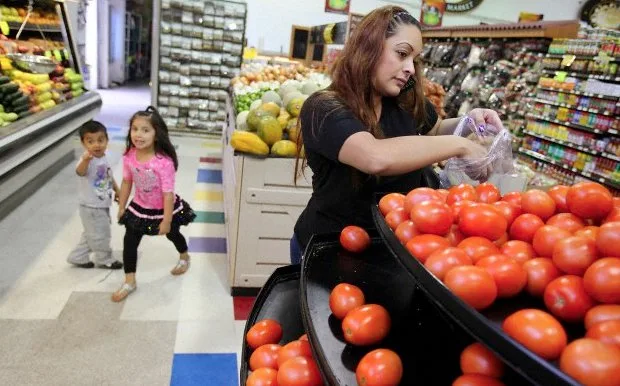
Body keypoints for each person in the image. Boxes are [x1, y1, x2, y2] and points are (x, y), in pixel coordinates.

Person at [290, 6, 503, 264]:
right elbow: (375, 156)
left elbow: (434, 130)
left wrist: (469, 121)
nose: (410, 68)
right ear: (368, 47)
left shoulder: (402, 101)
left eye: (414, 59)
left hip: (392, 247)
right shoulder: (323, 108)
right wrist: (459, 145)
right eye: (402, 54)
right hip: (329, 248)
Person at [113, 106, 196, 302]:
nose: (138, 135)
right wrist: (122, 206)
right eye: (135, 129)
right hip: (140, 207)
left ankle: (184, 256)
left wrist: (167, 221)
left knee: (173, 234)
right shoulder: (129, 155)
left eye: (145, 130)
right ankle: (129, 280)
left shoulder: (163, 162)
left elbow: (168, 194)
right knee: (129, 242)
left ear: (157, 134)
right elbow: (127, 181)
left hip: (164, 209)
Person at [67, 120, 124, 270]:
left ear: (107, 140)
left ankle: (77, 257)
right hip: (91, 206)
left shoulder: (104, 157)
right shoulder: (87, 160)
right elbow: (80, 172)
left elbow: (108, 175)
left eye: (100, 140)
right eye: (90, 141)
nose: (96, 145)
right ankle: (105, 259)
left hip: (101, 203)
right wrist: (85, 160)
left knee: (91, 233)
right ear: (83, 143)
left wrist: (117, 190)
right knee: (101, 234)